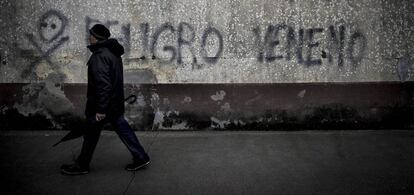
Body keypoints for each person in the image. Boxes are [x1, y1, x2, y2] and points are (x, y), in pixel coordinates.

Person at [61, 24, 150, 175]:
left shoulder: (100, 56)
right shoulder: (112, 53)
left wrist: (101, 109)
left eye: (91, 35)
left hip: (103, 105)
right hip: (114, 103)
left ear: (96, 38)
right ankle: (141, 157)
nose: (89, 37)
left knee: (91, 134)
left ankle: (82, 165)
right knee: (121, 129)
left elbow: (103, 85)